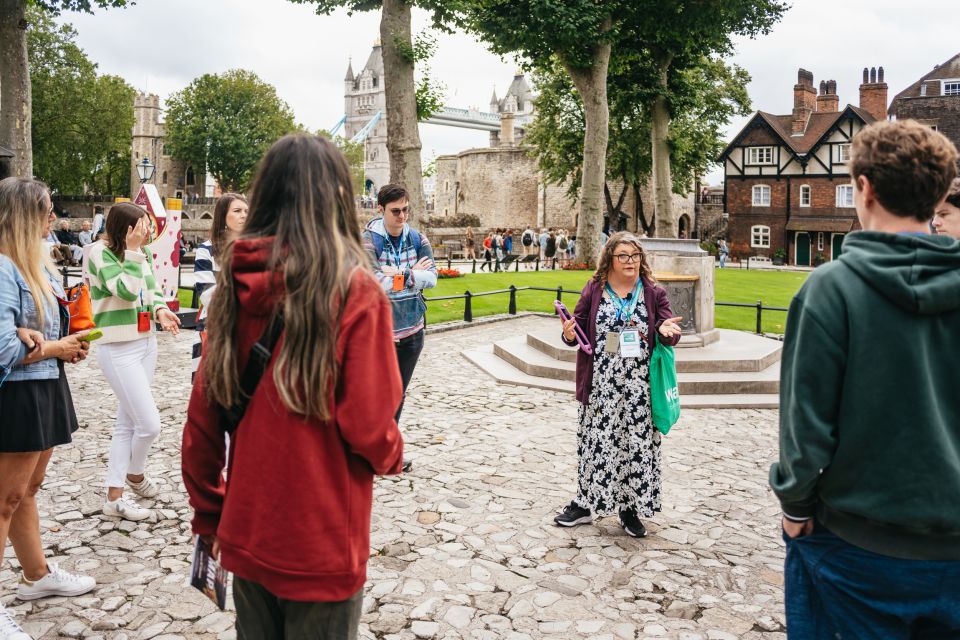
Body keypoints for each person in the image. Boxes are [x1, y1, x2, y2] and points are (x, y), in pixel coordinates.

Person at [183, 135, 404, 640]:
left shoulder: (233, 289)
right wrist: (392, 454)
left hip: (250, 525)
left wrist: (209, 515)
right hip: (322, 536)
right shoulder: (355, 291)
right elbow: (370, 424)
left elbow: (201, 423)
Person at [769, 120, 960, 638]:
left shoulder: (833, 288)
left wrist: (794, 504)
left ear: (865, 187)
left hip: (859, 543)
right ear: (940, 194)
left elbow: (806, 426)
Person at [0, 178, 96, 640]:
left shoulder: (31, 265)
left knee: (27, 490)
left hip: (42, 386)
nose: (52, 219)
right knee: (4, 500)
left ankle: (36, 576)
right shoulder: (3, 268)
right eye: (46, 210)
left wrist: (62, 347)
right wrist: (57, 346)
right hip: (16, 393)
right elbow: (2, 347)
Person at [556, 232, 682, 538]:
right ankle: (585, 503)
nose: (630, 261)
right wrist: (570, 334)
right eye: (623, 256)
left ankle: (630, 509)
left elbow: (670, 332)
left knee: (635, 446)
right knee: (596, 444)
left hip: (639, 388)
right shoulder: (595, 288)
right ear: (610, 259)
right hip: (602, 385)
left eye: (635, 255)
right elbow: (576, 328)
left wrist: (666, 332)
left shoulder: (653, 291)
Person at [87, 203, 182, 522]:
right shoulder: (98, 253)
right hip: (117, 346)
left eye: (147, 224)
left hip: (145, 342)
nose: (146, 230)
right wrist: (132, 252)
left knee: (126, 423)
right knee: (149, 423)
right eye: (140, 225)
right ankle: (135, 474)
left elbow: (150, 291)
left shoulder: (144, 253)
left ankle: (115, 496)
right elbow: (126, 291)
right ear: (124, 228)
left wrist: (160, 310)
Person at [362, 184, 436, 470]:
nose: (402, 216)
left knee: (398, 392)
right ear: (380, 210)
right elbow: (373, 281)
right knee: (375, 392)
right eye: (395, 211)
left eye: (405, 209)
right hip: (378, 333)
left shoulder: (418, 238)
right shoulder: (369, 241)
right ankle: (369, 447)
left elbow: (432, 277)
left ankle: (386, 450)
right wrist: (411, 274)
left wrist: (400, 275)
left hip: (412, 330)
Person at [191, 193, 248, 378]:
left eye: (247, 211)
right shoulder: (207, 249)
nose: (244, 215)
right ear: (223, 215)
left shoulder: (255, 246)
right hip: (216, 325)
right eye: (237, 211)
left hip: (248, 328)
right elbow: (207, 294)